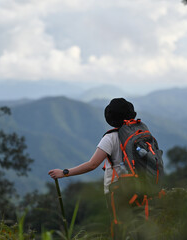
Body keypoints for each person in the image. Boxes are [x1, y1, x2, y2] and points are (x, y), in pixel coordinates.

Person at [48, 98, 137, 238]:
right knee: (137, 227)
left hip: (118, 191)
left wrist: (64, 172)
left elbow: (92, 164)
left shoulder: (111, 138)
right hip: (141, 186)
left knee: (120, 230)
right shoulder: (139, 132)